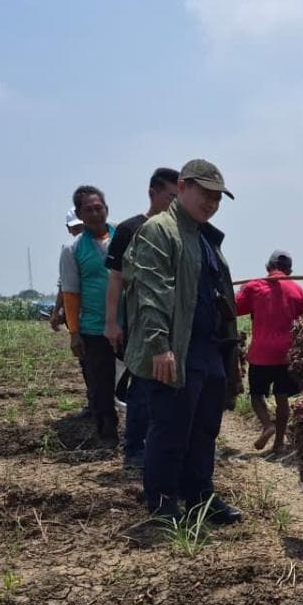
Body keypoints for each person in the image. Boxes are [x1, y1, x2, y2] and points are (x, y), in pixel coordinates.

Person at [123, 159, 244, 524]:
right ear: (182, 187)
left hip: (207, 347)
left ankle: (200, 498)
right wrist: (160, 346)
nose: (211, 203)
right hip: (176, 347)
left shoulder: (205, 237)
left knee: (204, 429)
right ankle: (162, 505)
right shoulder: (160, 230)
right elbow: (151, 292)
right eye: (205, 193)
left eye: (217, 198)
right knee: (170, 429)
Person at [103, 167, 180, 470]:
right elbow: (116, 279)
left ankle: (164, 445)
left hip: (176, 323)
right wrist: (112, 322)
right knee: (142, 384)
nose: (176, 204)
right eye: (171, 197)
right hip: (144, 321)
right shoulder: (130, 229)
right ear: (152, 193)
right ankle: (134, 448)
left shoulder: (181, 231)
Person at [235, 250, 303, 454]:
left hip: (261, 354)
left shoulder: (254, 286)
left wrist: (241, 290)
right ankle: (278, 443)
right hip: (287, 355)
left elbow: (233, 308)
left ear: (268, 267)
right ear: (290, 271)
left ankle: (267, 425)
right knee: (282, 398)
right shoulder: (298, 290)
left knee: (256, 396)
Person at [59, 185, 118, 447]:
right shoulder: (72, 250)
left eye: (98, 208)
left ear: (106, 209)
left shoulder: (123, 237)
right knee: (101, 385)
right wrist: (74, 333)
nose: (95, 213)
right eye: (88, 210)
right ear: (80, 215)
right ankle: (107, 435)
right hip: (94, 328)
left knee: (139, 382)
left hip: (129, 324)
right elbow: (71, 294)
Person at [52, 210, 92, 417]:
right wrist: (57, 310)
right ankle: (95, 402)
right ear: (69, 229)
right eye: (75, 228)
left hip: (98, 314)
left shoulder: (101, 245)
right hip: (79, 316)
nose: (78, 231)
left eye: (80, 227)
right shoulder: (69, 250)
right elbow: (65, 286)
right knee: (87, 361)